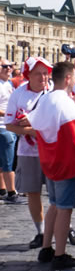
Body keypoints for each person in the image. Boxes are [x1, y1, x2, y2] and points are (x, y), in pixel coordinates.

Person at [30, 62, 75, 270]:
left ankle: (46, 247)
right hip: (66, 162)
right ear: (68, 78)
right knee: (65, 209)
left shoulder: (46, 98)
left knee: (54, 205)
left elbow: (36, 126)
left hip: (49, 159)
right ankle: (60, 254)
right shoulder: (65, 103)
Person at [6, 57, 53, 247]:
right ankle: (41, 231)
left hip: (52, 150)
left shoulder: (54, 92)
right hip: (28, 151)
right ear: (28, 75)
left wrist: (35, 126)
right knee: (33, 192)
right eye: (37, 74)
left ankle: (65, 227)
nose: (43, 77)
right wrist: (32, 131)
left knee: (56, 193)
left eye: (45, 73)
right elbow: (9, 125)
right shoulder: (18, 94)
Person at [0, 59, 16, 199]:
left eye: (11, 66)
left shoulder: (8, 83)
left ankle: (2, 189)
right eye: (5, 66)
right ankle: (12, 192)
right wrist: (10, 113)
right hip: (3, 127)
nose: (9, 68)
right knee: (8, 162)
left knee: (2, 161)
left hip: (9, 125)